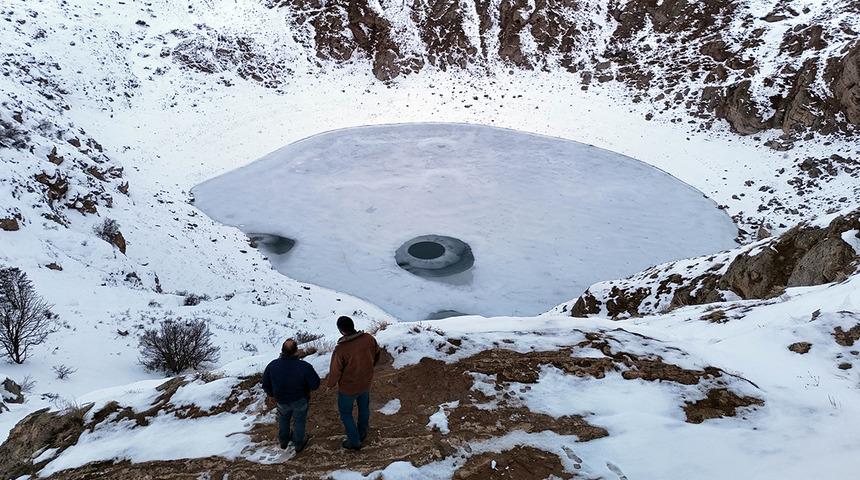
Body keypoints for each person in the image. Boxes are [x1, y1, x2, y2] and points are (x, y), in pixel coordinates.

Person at [326, 315, 381, 450]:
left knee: (346, 413)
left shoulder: (341, 349)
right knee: (363, 408)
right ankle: (362, 433)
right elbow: (377, 353)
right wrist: (370, 367)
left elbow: (335, 370)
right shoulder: (368, 338)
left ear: (341, 331)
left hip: (348, 388)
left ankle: (354, 441)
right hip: (365, 382)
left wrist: (330, 384)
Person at [262, 338, 321, 453]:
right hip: (300, 399)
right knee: (299, 420)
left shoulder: (272, 365)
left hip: (281, 400)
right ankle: (298, 443)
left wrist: (271, 394)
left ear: (282, 351)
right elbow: (315, 384)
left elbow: (265, 383)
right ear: (296, 351)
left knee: (283, 419)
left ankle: (283, 441)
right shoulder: (304, 366)